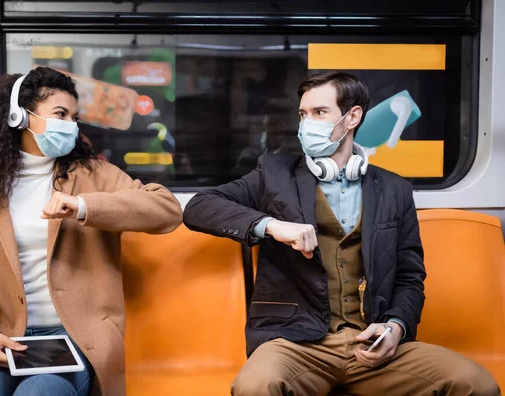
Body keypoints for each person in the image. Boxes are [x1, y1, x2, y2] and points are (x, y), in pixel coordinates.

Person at [183, 71, 499, 395]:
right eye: (303, 114)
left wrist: (395, 327)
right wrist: (271, 226)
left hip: (372, 341)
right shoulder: (274, 174)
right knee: (255, 387)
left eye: (319, 113)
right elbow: (199, 206)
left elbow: (409, 276)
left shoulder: (394, 189)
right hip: (297, 342)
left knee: (477, 384)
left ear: (353, 117)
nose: (307, 124)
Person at [0, 67, 183, 396]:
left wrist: (85, 206)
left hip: (77, 337)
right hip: (4, 336)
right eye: (60, 114)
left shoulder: (93, 174)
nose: (70, 125)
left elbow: (167, 210)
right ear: (19, 117)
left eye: (74, 116)